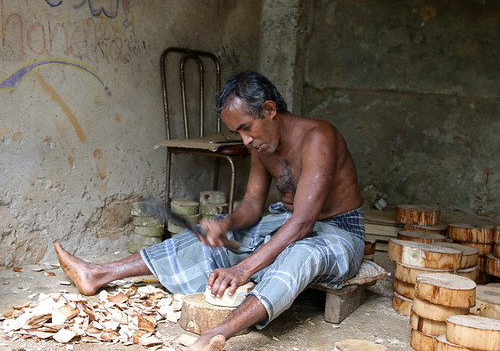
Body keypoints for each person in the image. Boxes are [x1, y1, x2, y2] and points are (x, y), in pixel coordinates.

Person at [55, 71, 365, 351]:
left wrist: (243, 269)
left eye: (246, 128)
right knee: (221, 229)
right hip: (290, 222)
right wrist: (225, 224)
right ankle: (98, 273)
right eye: (238, 133)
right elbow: (252, 207)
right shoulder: (261, 144)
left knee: (301, 254)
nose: (245, 140)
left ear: (270, 111)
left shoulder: (318, 138)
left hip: (338, 233)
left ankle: (217, 334)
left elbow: (303, 222)